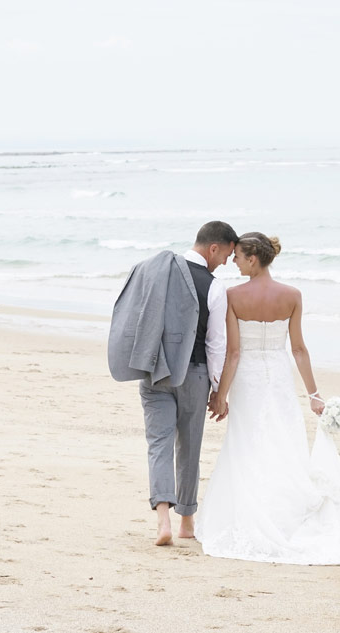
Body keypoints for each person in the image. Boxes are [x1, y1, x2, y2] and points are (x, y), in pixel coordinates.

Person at [197, 232, 340, 565]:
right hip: (278, 376)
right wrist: (314, 394)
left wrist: (220, 395)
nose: (233, 261)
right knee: (283, 440)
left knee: (247, 443)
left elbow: (234, 353)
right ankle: (287, 509)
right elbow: (298, 348)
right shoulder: (292, 295)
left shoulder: (233, 296)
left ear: (253, 259)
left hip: (248, 378)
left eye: (237, 256)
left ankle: (255, 510)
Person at [107, 221, 239, 546]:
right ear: (214, 248)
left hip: (154, 370)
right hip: (193, 374)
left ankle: (162, 518)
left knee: (159, 445)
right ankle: (187, 523)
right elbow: (216, 343)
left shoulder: (153, 270)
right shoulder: (215, 287)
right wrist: (219, 392)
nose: (225, 263)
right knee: (189, 446)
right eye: (226, 255)